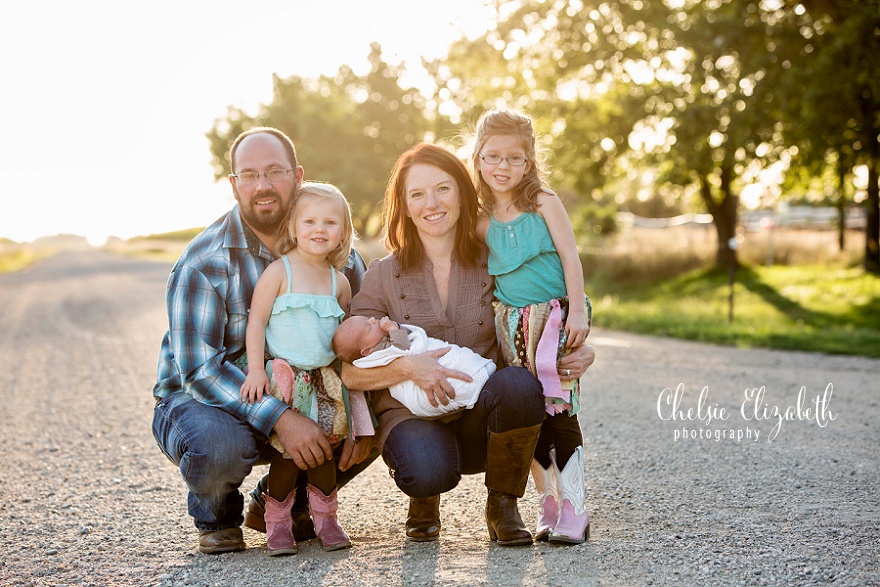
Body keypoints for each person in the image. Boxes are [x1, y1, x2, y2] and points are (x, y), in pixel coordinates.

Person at [341, 143, 595, 546]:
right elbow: (348, 370)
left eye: (443, 188)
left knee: (519, 386)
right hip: (414, 416)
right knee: (427, 471)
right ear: (404, 206)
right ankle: (424, 498)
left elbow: (544, 305)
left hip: (481, 409)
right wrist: (409, 367)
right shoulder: (381, 276)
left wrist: (573, 346)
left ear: (461, 192)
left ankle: (502, 505)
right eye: (417, 194)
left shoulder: (491, 259)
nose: (432, 203)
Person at [151, 127, 376, 555]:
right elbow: (199, 370)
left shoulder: (339, 258)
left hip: (308, 390)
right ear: (234, 184)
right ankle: (216, 515)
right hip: (205, 399)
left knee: (374, 422)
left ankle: (281, 502)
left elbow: (360, 336)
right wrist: (281, 418)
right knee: (219, 446)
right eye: (249, 175)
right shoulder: (205, 260)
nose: (263, 185)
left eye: (275, 171)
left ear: (297, 175)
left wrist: (362, 411)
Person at [472, 108, 592, 544]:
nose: (502, 167)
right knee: (532, 412)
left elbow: (570, 256)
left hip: (554, 316)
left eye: (513, 158)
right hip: (513, 324)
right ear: (479, 157)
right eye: (493, 156)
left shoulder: (543, 201)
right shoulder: (481, 219)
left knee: (558, 407)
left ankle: (576, 506)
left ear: (529, 161)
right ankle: (550, 503)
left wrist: (576, 312)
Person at [239, 182, 356, 554]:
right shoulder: (280, 271)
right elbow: (256, 321)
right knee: (286, 459)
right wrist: (257, 370)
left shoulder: (339, 282)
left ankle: (327, 521)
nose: (319, 229)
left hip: (325, 381)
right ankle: (277, 525)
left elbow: (341, 340)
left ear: (343, 231)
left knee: (324, 454)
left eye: (329, 222)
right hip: (288, 380)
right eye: (309, 221)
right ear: (293, 227)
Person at [332, 315, 496, 418]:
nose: (373, 320)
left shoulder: (376, 346)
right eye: (368, 326)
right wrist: (392, 328)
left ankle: (477, 377)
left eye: (368, 319)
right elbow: (403, 349)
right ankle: (475, 378)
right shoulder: (380, 353)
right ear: (367, 351)